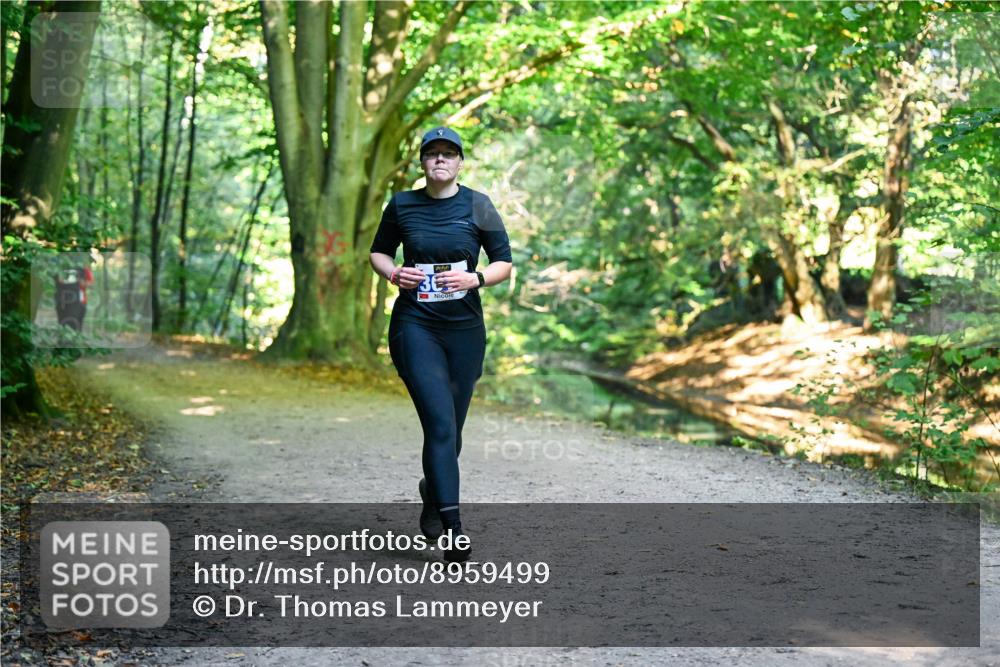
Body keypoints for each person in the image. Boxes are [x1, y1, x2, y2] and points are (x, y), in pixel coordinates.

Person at [369, 127, 513, 563]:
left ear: (460, 162)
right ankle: (453, 529)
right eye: (432, 154)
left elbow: (504, 262)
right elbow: (378, 252)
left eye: (448, 154)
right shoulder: (402, 204)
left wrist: (476, 277)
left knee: (454, 431)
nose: (440, 161)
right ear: (422, 163)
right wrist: (394, 273)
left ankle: (433, 494)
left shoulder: (478, 205)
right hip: (416, 326)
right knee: (439, 425)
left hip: (464, 330)